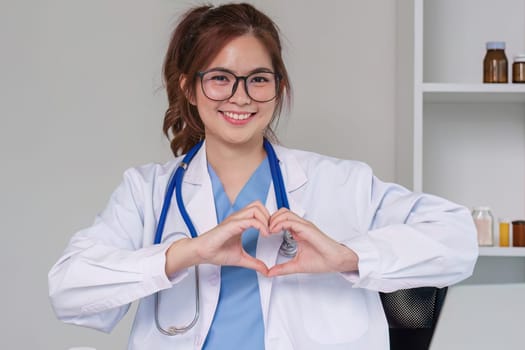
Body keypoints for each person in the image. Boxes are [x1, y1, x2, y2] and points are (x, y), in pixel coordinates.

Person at [48, 3, 478, 349]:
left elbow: (459, 237)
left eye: (258, 79)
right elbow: (68, 291)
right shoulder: (148, 192)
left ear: (279, 87)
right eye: (220, 78)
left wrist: (347, 256)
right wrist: (187, 253)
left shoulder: (341, 183)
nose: (241, 96)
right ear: (188, 87)